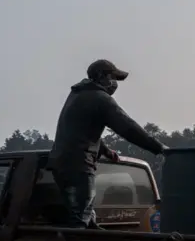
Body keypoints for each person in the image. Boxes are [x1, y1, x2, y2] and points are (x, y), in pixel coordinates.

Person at [48, 59, 166, 229]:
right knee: (80, 219)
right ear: (101, 76)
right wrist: (159, 148)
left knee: (85, 216)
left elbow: (82, 129)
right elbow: (128, 127)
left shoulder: (78, 94)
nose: (114, 84)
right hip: (78, 164)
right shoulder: (99, 98)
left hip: (64, 163)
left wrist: (104, 150)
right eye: (113, 78)